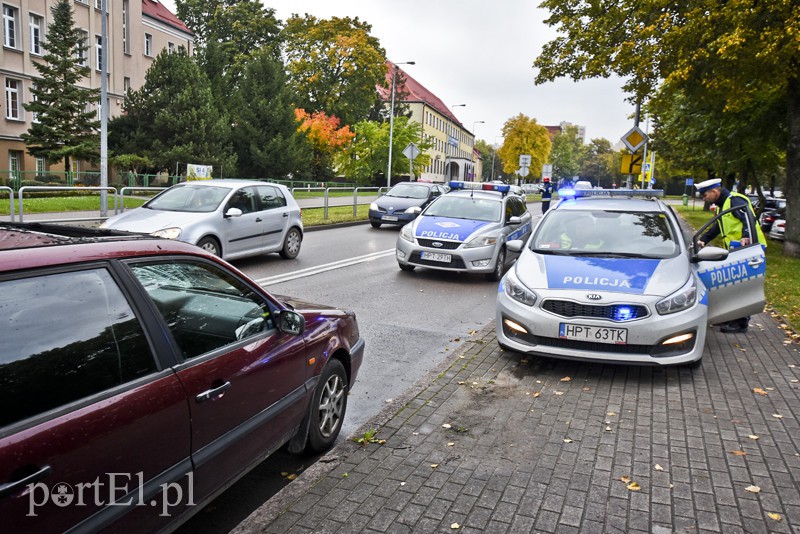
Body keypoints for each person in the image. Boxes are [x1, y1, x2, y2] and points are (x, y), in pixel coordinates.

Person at [695, 178, 767, 333]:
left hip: (750, 248)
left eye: (704, 195)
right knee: (734, 284)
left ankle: (741, 323)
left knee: (743, 285)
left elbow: (747, 218)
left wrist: (746, 235)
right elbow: (717, 227)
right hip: (738, 249)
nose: (703, 198)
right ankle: (731, 317)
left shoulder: (734, 200)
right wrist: (703, 240)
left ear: (714, 192)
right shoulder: (724, 205)